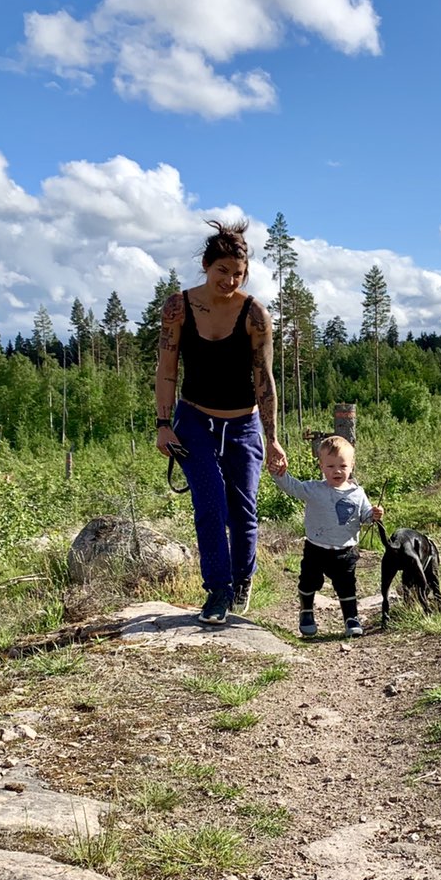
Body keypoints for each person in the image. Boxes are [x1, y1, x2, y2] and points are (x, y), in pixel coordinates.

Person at [155, 219, 287, 625]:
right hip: (194, 420)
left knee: (243, 510)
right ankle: (217, 590)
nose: (230, 280)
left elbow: (264, 380)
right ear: (206, 266)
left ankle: (243, 578)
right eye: (222, 271)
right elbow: (167, 369)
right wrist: (163, 423)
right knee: (209, 503)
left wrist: (272, 438)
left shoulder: (255, 315)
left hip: (243, 424)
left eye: (238, 274)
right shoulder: (178, 307)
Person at [268, 435, 383, 638]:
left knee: (346, 585)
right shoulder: (314, 489)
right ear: (321, 466)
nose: (337, 471)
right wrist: (278, 474)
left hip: (346, 550)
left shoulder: (358, 493)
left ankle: (351, 618)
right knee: (308, 581)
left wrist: (374, 514)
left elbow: (365, 517)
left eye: (342, 466)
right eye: (330, 466)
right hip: (316, 549)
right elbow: (293, 486)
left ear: (352, 465)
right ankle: (306, 611)